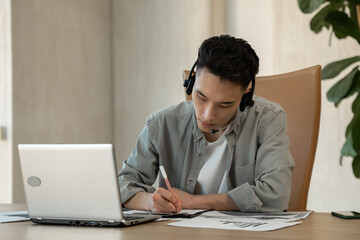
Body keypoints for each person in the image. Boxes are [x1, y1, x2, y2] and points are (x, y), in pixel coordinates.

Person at [118, 35, 294, 213]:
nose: (208, 115)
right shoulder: (161, 124)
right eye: (201, 97)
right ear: (191, 82)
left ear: (246, 94)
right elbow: (122, 185)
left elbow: (276, 196)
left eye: (224, 104)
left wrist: (194, 202)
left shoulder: (268, 120)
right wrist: (149, 202)